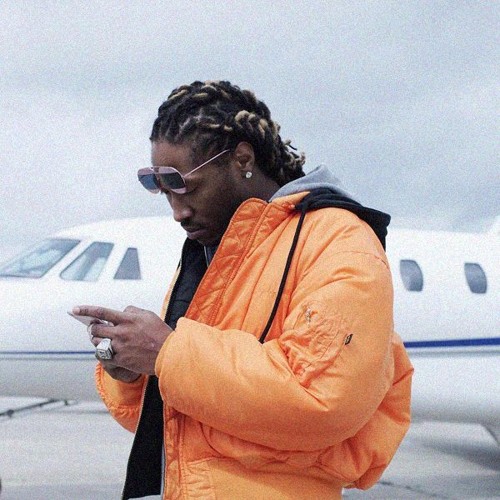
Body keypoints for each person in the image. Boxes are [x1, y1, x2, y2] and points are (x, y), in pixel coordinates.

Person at [74, 80, 413, 499]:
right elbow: (189, 424)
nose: (177, 212)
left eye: (187, 187)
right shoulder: (214, 249)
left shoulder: (339, 240)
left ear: (242, 160)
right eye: (165, 193)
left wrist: (167, 353)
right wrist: (134, 373)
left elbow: (321, 400)